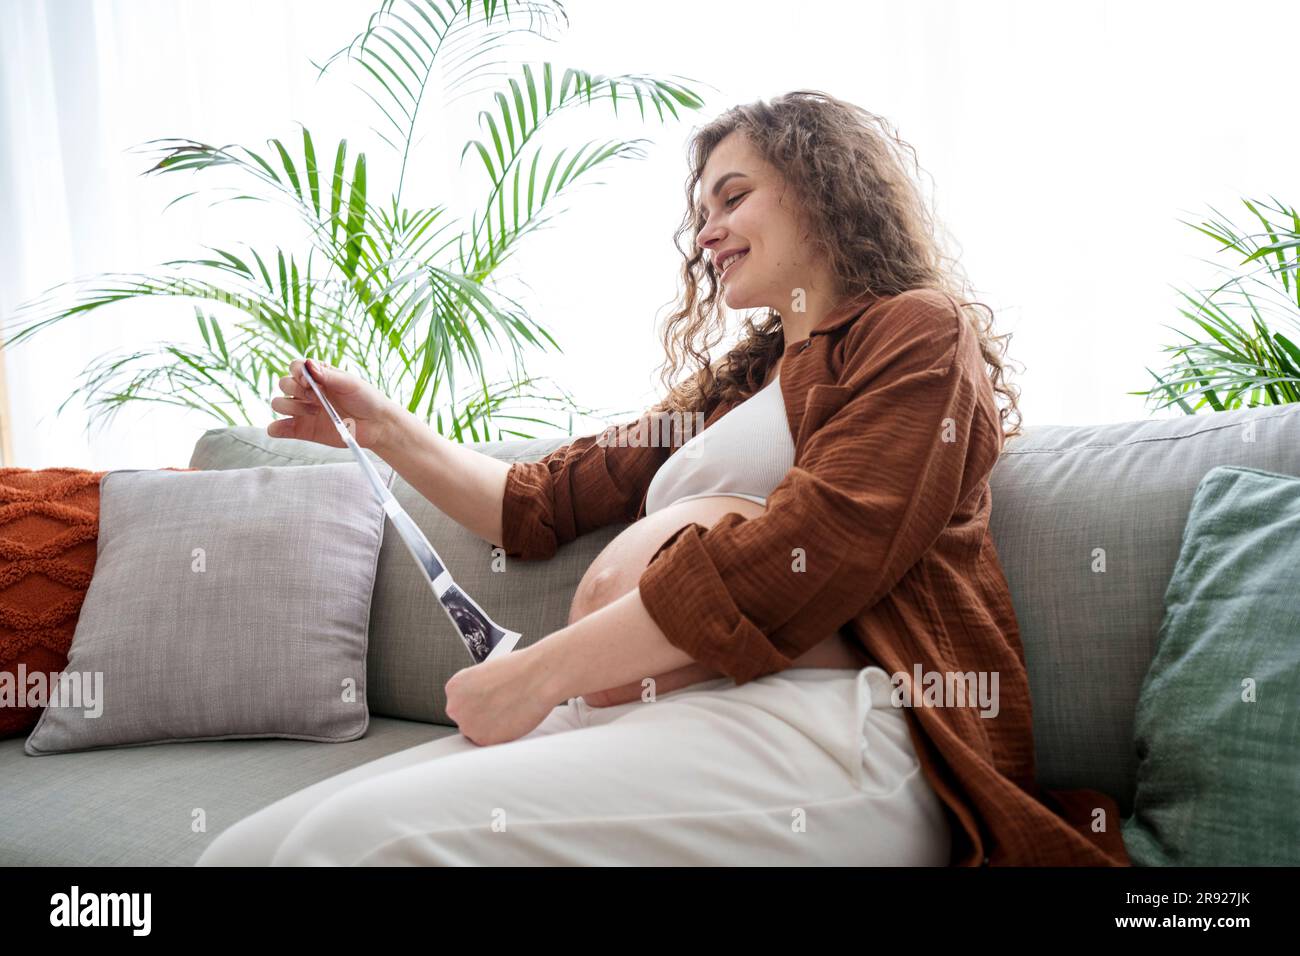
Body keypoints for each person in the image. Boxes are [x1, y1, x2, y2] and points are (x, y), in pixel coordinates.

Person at [196, 90, 1128, 867]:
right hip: (645, 713)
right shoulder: (732, 388)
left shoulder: (912, 335)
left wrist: (535, 678)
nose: (708, 231)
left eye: (733, 197)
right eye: (701, 213)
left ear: (821, 191)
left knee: (349, 847)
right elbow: (533, 502)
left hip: (832, 732)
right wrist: (381, 429)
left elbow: (820, 548)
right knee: (247, 851)